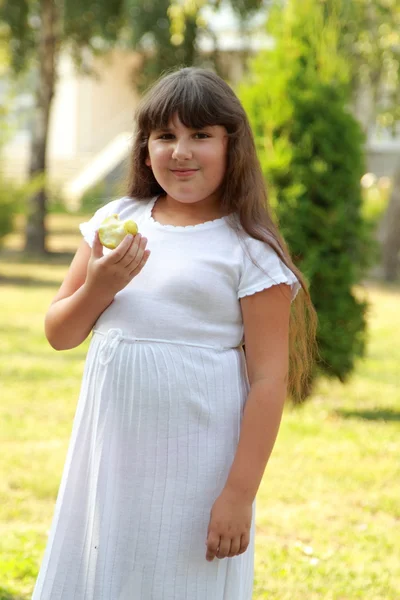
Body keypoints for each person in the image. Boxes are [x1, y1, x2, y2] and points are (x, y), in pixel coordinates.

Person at [33, 67, 317, 600]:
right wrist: (100, 286)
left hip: (197, 469)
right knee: (106, 571)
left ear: (234, 147)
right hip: (111, 460)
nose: (180, 151)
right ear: (144, 151)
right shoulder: (115, 223)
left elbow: (269, 381)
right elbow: (59, 333)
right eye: (165, 136)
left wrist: (238, 494)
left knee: (178, 579)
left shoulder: (248, 251)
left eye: (200, 135)